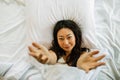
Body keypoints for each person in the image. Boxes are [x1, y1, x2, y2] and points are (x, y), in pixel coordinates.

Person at [28, 20, 105, 73]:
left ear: (76, 37)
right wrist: (48, 58)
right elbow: (52, 57)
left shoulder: (82, 54)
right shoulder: (55, 52)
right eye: (61, 38)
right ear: (56, 40)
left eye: (69, 37)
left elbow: (82, 59)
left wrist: (80, 64)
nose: (66, 42)